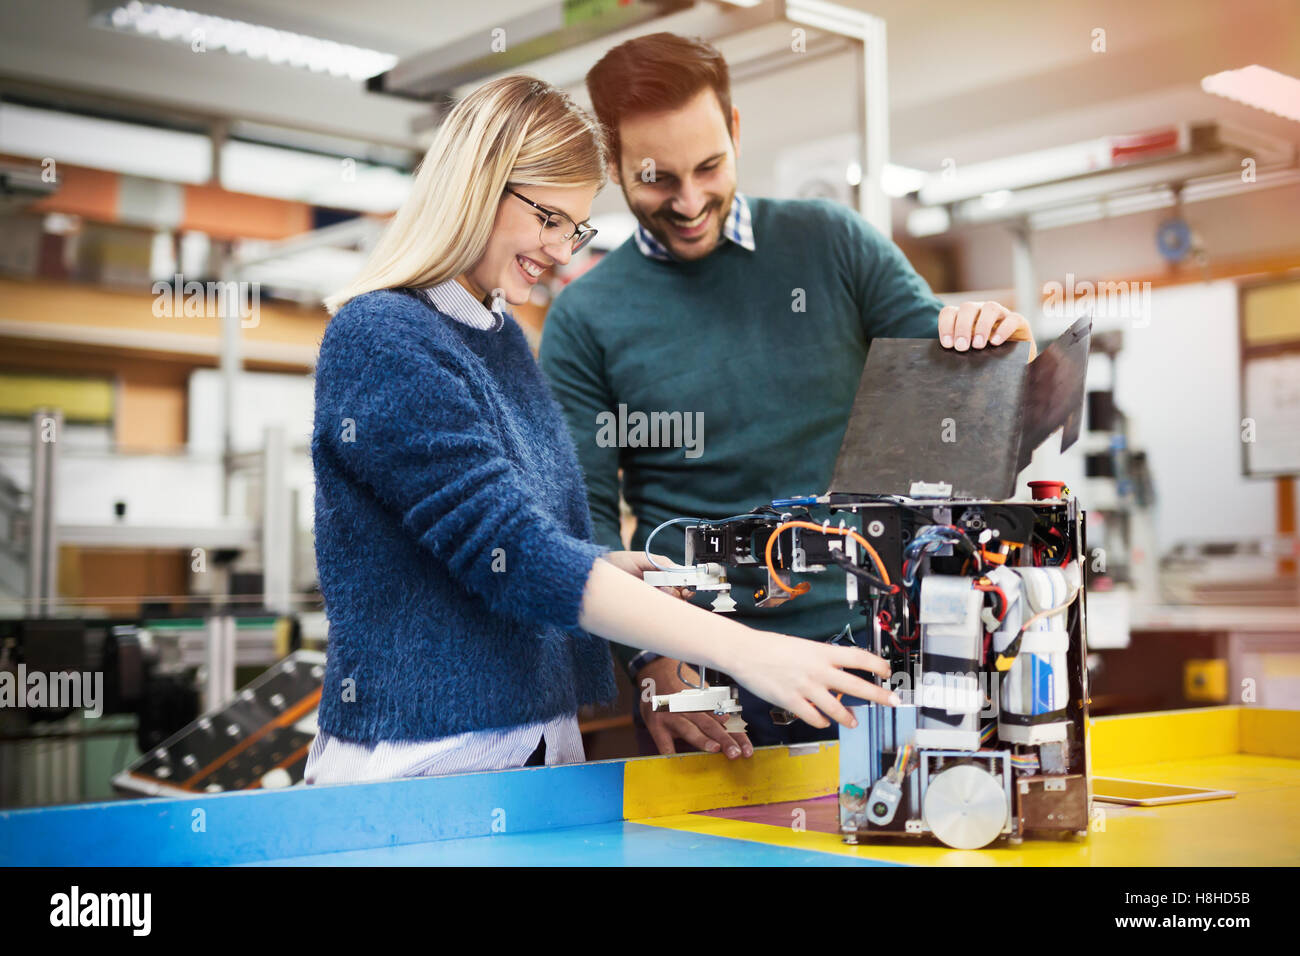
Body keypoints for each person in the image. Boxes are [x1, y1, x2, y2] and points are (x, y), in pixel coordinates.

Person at [304, 74, 897, 784]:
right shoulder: (381, 337)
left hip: (531, 751)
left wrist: (604, 566)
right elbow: (509, 552)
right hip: (421, 766)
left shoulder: (499, 337)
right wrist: (746, 651)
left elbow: (528, 538)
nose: (562, 252)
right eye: (549, 219)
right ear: (479, 186)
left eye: (575, 227)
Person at [539, 33, 1036, 760]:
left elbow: (950, 388)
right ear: (613, 165)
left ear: (736, 130)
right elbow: (582, 518)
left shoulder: (830, 242)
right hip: (707, 679)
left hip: (877, 650)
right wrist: (650, 664)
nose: (689, 201)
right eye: (656, 179)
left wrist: (998, 345)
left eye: (709, 166)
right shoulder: (586, 317)